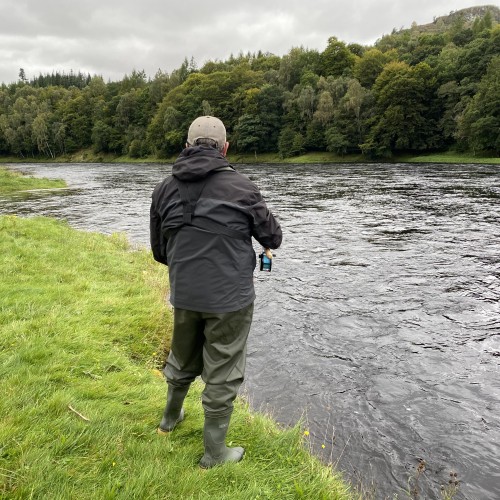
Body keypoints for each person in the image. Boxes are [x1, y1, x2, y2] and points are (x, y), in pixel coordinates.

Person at [150, 116, 282, 468]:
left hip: (184, 293)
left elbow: (158, 251)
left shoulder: (163, 188)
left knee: (181, 357)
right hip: (230, 299)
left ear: (187, 144)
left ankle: (169, 420)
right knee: (222, 371)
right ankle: (215, 454)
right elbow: (272, 238)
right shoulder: (243, 187)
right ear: (225, 148)